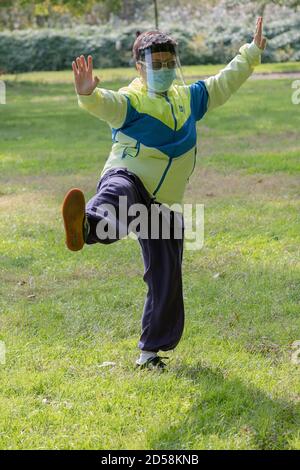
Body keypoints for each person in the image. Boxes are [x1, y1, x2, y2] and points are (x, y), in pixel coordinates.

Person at [62, 18, 267, 370]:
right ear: (139, 67)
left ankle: (149, 355)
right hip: (130, 177)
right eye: (156, 65)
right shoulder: (131, 101)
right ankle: (88, 226)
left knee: (166, 275)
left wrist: (251, 52)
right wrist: (87, 94)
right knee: (118, 192)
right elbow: (106, 104)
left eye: (170, 63)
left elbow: (224, 82)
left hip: (166, 205)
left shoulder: (189, 98)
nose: (165, 69)